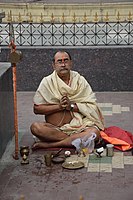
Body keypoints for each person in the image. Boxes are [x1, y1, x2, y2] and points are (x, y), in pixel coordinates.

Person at [30, 51, 104, 150]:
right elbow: (37, 109)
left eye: (66, 61)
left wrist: (71, 106)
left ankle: (50, 145)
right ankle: (75, 141)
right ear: (53, 65)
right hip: (56, 129)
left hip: (81, 127)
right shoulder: (47, 81)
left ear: (71, 63)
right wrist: (59, 106)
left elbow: (92, 106)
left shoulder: (80, 80)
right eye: (59, 61)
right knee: (36, 127)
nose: (63, 64)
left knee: (94, 133)